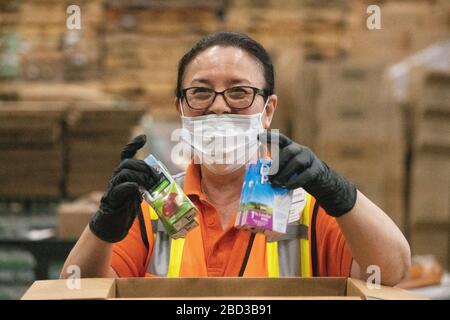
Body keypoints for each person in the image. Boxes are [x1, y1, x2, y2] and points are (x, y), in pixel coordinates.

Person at [61, 31, 410, 285]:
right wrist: (103, 226)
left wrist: (337, 191)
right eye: (200, 92)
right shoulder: (151, 206)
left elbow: (392, 272)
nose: (218, 105)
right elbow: (77, 287)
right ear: (181, 106)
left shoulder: (310, 207)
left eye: (239, 92)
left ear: (268, 109)